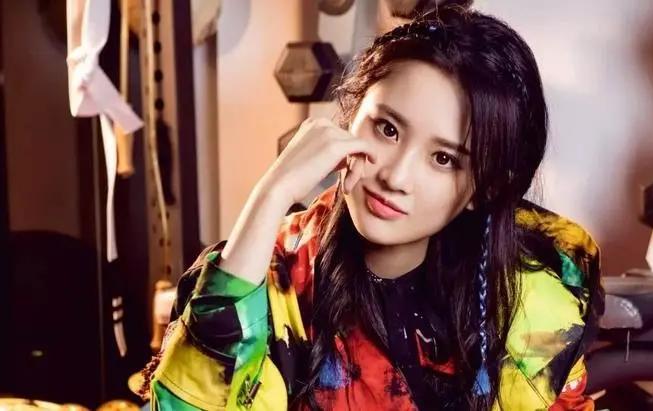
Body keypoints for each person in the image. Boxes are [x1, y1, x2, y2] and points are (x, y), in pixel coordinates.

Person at [141, 5, 603, 410]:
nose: (395, 177)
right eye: (387, 129)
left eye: (443, 159)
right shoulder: (271, 277)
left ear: (482, 188)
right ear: (350, 113)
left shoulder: (537, 282)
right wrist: (271, 193)